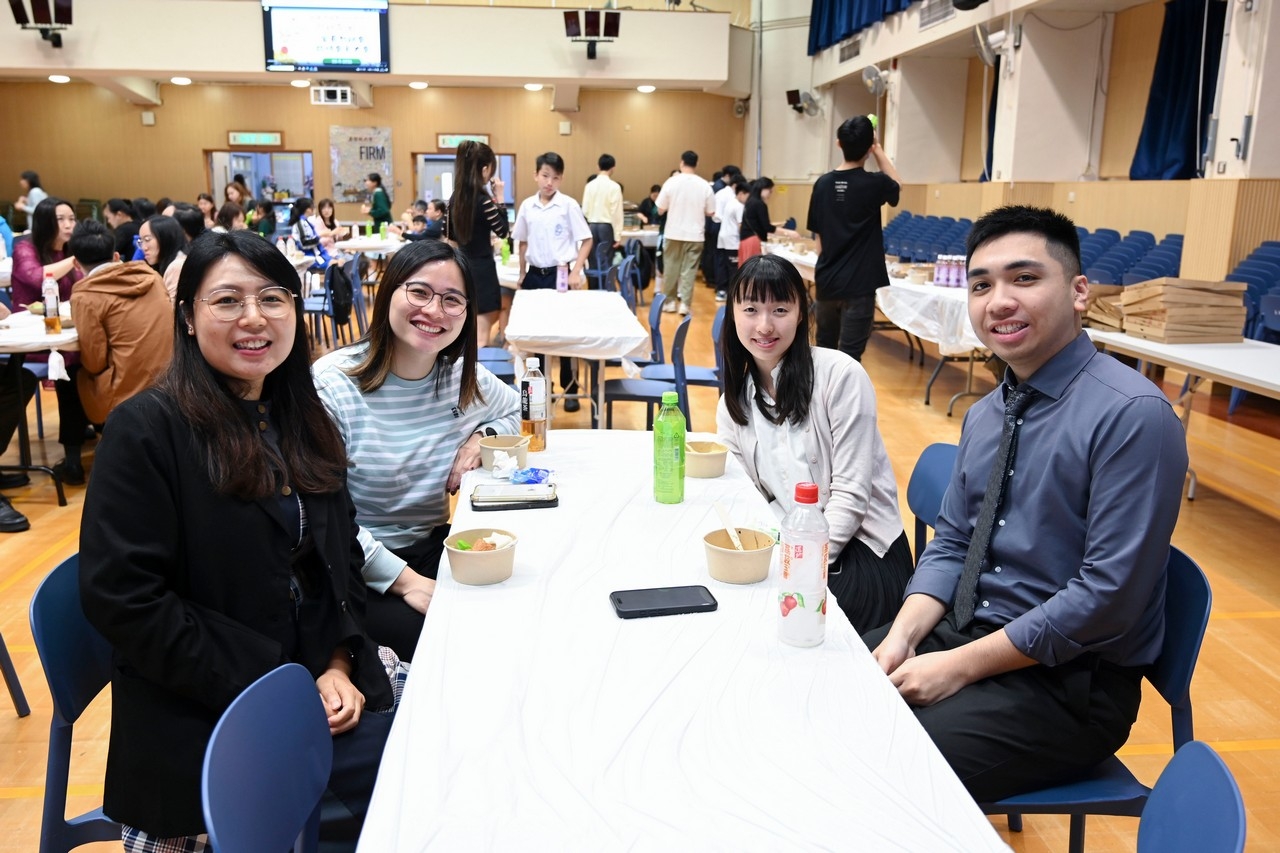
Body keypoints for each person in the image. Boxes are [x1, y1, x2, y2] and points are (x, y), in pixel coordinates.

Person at [78, 230, 396, 850]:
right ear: (187, 318)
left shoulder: (299, 415)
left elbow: (340, 554)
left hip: (312, 678)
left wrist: (337, 661)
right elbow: (124, 600)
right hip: (204, 709)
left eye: (273, 298)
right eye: (227, 300)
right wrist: (285, 683)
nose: (254, 318)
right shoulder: (147, 430)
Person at [864, 205, 1189, 803]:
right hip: (966, 630)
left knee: (880, 770)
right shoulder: (988, 413)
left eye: (1025, 278)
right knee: (818, 688)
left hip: (1068, 683)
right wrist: (904, 637)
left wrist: (956, 668)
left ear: (1079, 291)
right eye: (981, 285)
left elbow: (1106, 598)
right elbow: (955, 542)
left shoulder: (1133, 417)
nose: (999, 301)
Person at [313, 240, 521, 660]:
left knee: (517, 608)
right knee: (451, 643)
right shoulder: (333, 383)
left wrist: (482, 437)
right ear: (387, 292)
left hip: (431, 545)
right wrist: (406, 582)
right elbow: (325, 518)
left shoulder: (461, 377)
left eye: (451, 300)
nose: (434, 311)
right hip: (354, 564)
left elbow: (519, 410)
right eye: (419, 292)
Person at [717, 254, 912, 633]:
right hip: (786, 547)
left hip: (859, 553)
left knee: (777, 627)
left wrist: (801, 566)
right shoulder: (734, 403)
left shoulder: (840, 376)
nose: (764, 325)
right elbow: (746, 495)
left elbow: (851, 496)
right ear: (733, 315)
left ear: (801, 315)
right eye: (751, 309)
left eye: (780, 309)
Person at [806, 115, 902, 361]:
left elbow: (819, 241)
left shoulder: (822, 184)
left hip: (828, 281)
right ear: (869, 148)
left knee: (824, 353)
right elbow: (897, 185)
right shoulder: (875, 183)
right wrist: (878, 148)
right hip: (860, 285)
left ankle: (820, 390)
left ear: (839, 143)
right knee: (850, 359)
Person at [9, 198, 92, 484]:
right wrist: (76, 258)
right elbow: (37, 277)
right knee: (73, 366)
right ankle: (73, 455)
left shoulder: (70, 250)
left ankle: (82, 431)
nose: (70, 225)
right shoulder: (26, 248)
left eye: (72, 218)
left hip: (66, 331)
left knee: (89, 359)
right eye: (62, 219)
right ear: (46, 221)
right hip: (34, 337)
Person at [67, 219, 174, 425]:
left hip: (126, 393)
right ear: (116, 256)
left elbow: (94, 362)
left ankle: (82, 442)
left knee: (73, 373)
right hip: (170, 381)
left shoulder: (85, 295)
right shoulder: (151, 277)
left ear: (76, 264)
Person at [511, 151, 593, 411]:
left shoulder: (568, 205)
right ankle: (542, 390)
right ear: (536, 175)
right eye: (545, 176)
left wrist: (576, 271)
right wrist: (522, 272)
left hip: (560, 275)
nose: (549, 182)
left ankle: (570, 388)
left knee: (564, 332)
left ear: (561, 179)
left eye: (555, 178)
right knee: (538, 335)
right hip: (535, 274)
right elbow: (522, 242)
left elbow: (586, 240)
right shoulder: (527, 206)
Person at [445, 140, 509, 348]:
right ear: (485, 169)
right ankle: (477, 370)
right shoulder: (483, 200)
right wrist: (500, 197)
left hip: (461, 270)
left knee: (467, 334)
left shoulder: (454, 199)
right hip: (482, 271)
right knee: (481, 337)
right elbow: (503, 231)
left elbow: (448, 236)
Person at [656, 151, 715, 315]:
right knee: (689, 270)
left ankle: (669, 302)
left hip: (673, 232)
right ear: (696, 164)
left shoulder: (671, 182)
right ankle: (685, 304)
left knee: (671, 268)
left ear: (681, 163)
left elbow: (660, 209)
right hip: (695, 234)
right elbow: (711, 212)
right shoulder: (704, 185)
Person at [738, 177, 798, 266]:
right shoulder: (759, 204)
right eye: (770, 191)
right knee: (754, 269)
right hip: (752, 240)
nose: (770, 194)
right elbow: (767, 227)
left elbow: (759, 224)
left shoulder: (750, 201)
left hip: (745, 240)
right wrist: (789, 232)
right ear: (763, 188)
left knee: (746, 268)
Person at [581, 153, 623, 279]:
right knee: (606, 261)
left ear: (598, 166)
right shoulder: (615, 187)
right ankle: (606, 288)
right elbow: (616, 213)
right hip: (606, 227)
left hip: (592, 226)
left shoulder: (589, 185)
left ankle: (593, 288)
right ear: (613, 168)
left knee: (592, 261)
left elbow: (585, 210)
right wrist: (617, 235)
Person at [714, 178, 750, 303]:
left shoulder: (730, 202)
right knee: (733, 268)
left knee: (722, 266)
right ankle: (733, 293)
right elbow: (741, 226)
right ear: (741, 193)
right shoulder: (739, 206)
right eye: (747, 196)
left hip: (723, 239)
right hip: (732, 241)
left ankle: (721, 290)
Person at [138, 214, 186, 300]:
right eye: (141, 241)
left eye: (147, 240)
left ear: (165, 238)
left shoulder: (177, 266)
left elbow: (170, 306)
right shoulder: (166, 263)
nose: (143, 247)